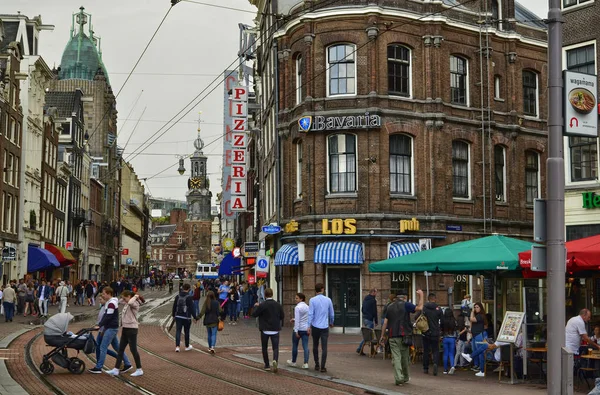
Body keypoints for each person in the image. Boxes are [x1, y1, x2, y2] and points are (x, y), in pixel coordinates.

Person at [379, 289, 424, 386]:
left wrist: (382, 336)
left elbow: (385, 323)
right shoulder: (406, 304)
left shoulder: (389, 307)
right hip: (404, 335)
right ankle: (405, 377)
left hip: (392, 336)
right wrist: (421, 295)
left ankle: (399, 378)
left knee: (396, 358)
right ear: (405, 297)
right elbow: (419, 308)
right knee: (404, 358)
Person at [90, 287, 132, 374]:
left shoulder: (111, 303)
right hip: (110, 327)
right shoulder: (110, 302)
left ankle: (99, 367)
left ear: (109, 294)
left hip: (111, 328)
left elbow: (108, 316)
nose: (103, 295)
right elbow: (107, 316)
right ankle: (127, 363)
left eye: (104, 293)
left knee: (103, 347)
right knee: (117, 347)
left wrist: (100, 325)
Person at [106, 291, 144, 377]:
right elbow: (119, 301)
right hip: (125, 328)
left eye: (125, 297)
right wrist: (123, 298)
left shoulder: (134, 303)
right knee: (120, 349)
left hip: (132, 329)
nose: (124, 300)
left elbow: (130, 301)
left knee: (133, 350)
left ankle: (139, 369)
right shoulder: (127, 303)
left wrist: (135, 296)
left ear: (130, 296)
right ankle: (116, 369)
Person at [251, 288, 284, 373]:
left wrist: (255, 306)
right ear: (272, 294)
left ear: (265, 295)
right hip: (275, 329)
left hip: (265, 329)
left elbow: (254, 314)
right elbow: (282, 316)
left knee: (264, 347)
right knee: (275, 348)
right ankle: (275, 360)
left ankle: (267, 365)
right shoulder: (278, 304)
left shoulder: (262, 305)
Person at [307, 283, 334, 373]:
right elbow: (331, 313)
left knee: (315, 345)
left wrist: (308, 326)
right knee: (324, 347)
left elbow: (311, 314)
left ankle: (317, 364)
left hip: (315, 326)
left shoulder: (312, 300)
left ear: (315, 290)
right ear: (322, 289)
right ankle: (323, 366)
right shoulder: (328, 300)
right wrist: (331, 322)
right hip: (324, 326)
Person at [461, 302, 489, 377]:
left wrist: (472, 311)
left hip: (479, 335)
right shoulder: (478, 316)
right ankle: (478, 366)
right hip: (475, 335)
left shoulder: (481, 316)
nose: (476, 309)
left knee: (480, 352)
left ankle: (481, 369)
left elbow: (472, 319)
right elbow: (471, 322)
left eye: (477, 307)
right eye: (475, 307)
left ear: (481, 308)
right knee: (478, 351)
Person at [420, 292, 443, 375]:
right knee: (435, 350)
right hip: (435, 332)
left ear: (428, 299)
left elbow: (418, 317)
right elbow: (442, 321)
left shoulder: (424, 308)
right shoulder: (439, 309)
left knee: (426, 351)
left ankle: (425, 368)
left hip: (425, 332)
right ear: (435, 299)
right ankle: (435, 363)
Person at [172, 283, 198, 352]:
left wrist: (173, 315)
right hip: (186, 317)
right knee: (187, 331)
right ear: (189, 289)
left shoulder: (177, 296)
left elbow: (174, 306)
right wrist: (195, 317)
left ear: (182, 288)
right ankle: (187, 346)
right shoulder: (189, 297)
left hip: (178, 316)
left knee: (178, 331)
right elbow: (192, 308)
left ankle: (177, 347)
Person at [287, 292, 310, 369]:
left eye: (297, 298)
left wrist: (296, 330)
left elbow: (297, 320)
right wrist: (308, 327)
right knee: (305, 346)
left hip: (299, 329)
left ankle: (293, 361)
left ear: (301, 299)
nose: (295, 299)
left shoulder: (297, 308)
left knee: (295, 345)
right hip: (305, 329)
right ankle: (306, 363)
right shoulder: (307, 307)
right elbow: (306, 318)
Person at [357, 288, 378, 356]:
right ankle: (360, 348)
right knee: (369, 336)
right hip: (370, 319)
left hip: (365, 318)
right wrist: (376, 320)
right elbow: (375, 311)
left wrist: (365, 315)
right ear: (373, 292)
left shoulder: (365, 299)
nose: (376, 294)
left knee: (368, 335)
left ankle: (372, 350)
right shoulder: (373, 300)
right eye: (376, 292)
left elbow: (362, 309)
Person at [441, 308, 458, 375]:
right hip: (452, 338)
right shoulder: (454, 320)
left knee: (445, 354)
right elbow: (456, 329)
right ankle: (452, 366)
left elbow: (441, 328)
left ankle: (445, 369)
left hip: (445, 337)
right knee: (451, 353)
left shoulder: (443, 320)